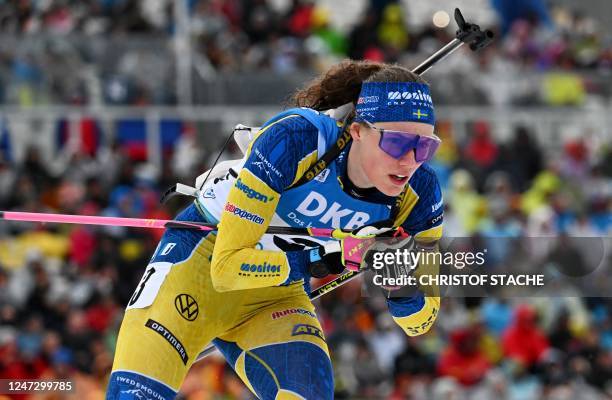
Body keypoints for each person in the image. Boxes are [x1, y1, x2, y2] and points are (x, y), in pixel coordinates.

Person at [106, 59, 444, 400]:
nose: (410, 161)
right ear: (357, 130)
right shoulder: (297, 138)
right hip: (199, 266)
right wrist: (322, 258)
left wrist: (399, 281)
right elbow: (226, 269)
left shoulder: (421, 194)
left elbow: (420, 322)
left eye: (425, 147)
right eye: (398, 144)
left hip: (276, 296)